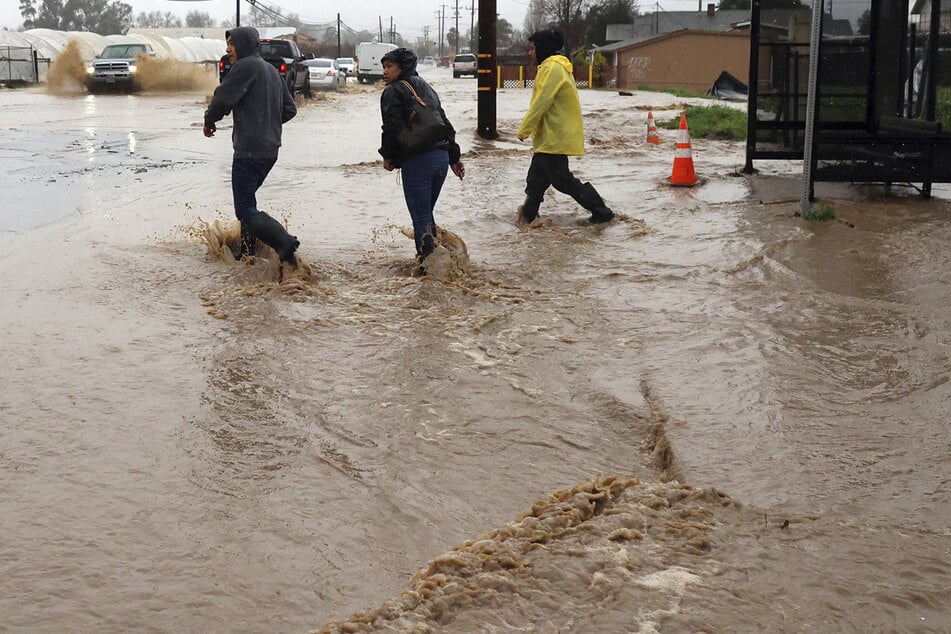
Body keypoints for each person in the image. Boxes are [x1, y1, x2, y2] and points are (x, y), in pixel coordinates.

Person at [203, 26, 300, 267]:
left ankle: (284, 241)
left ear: (244, 45)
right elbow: (290, 109)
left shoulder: (245, 66)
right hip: (270, 151)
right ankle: (247, 255)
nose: (228, 49)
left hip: (249, 152)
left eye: (232, 44)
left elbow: (222, 98)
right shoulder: (270, 70)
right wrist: (266, 123)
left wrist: (209, 119)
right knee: (250, 204)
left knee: (244, 209)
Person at [378, 47, 465, 271]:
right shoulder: (426, 87)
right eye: (384, 67)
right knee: (426, 215)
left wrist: (388, 156)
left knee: (421, 219)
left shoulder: (393, 91)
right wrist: (454, 157)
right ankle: (453, 260)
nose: (385, 72)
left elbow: (391, 127)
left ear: (402, 67)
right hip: (441, 159)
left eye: (389, 66)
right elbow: (444, 121)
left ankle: (433, 272)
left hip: (418, 161)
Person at [516, 29, 615, 225]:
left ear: (542, 48)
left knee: (562, 180)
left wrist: (524, 130)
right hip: (549, 137)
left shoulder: (552, 69)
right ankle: (526, 219)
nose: (530, 53)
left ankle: (601, 211)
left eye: (532, 48)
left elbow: (541, 102)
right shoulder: (553, 67)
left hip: (555, 136)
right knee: (535, 180)